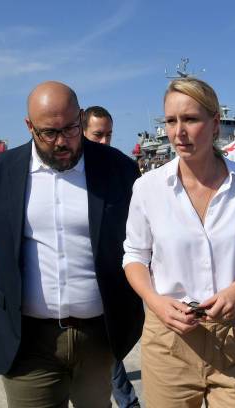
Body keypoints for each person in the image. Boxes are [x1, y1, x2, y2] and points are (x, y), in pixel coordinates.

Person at [0, 81, 144, 407]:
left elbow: (144, 244)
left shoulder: (118, 169)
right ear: (29, 126)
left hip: (99, 338)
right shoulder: (1, 174)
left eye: (71, 129)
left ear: (80, 118)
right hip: (28, 343)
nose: (62, 142)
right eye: (49, 133)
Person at [123, 77, 235, 407]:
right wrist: (154, 300)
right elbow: (134, 255)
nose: (179, 132)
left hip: (233, 336)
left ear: (215, 123)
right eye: (171, 121)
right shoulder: (149, 188)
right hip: (169, 338)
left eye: (190, 119)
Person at [82, 104, 139, 407]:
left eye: (109, 135)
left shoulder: (124, 169)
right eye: (97, 135)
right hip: (79, 288)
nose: (104, 142)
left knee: (110, 353)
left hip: (114, 280)